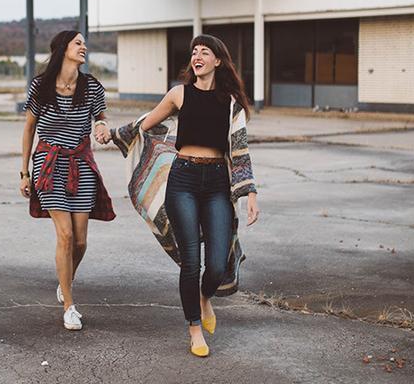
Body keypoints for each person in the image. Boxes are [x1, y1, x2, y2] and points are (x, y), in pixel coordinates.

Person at [97, 34, 259, 357]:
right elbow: (144, 123)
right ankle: (194, 329)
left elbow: (240, 151)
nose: (197, 56)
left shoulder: (231, 104)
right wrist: (112, 133)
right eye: (194, 52)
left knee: (216, 265)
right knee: (191, 261)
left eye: (205, 52)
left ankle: (204, 297)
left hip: (217, 184)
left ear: (217, 61)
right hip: (183, 180)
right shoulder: (179, 94)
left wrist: (250, 192)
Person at [19, 30, 115, 331]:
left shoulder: (91, 86)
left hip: (81, 165)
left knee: (81, 240)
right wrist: (24, 172)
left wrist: (101, 127)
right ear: (62, 48)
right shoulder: (40, 86)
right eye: (78, 43)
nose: (84, 47)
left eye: (84, 43)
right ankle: (69, 306)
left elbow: (101, 117)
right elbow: (28, 129)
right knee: (65, 235)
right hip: (48, 166)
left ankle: (65, 281)